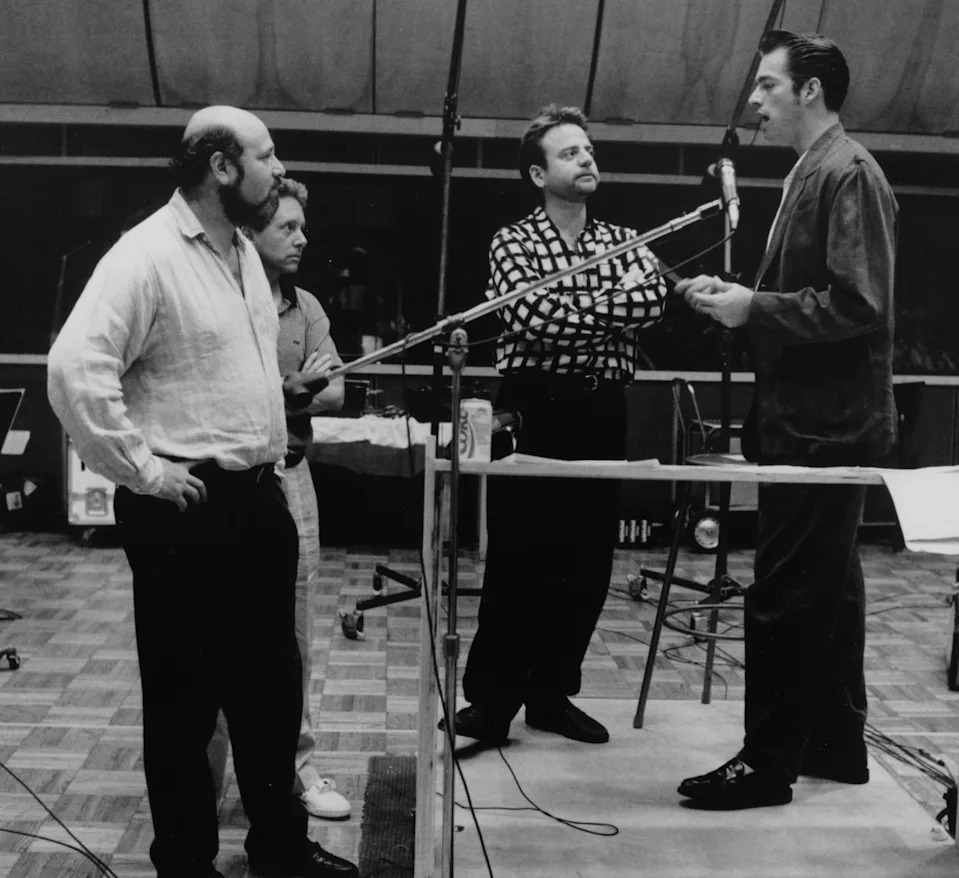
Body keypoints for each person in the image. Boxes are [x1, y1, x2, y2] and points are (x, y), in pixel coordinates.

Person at [47, 106, 358, 877]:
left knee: (271, 693)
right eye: (266, 155)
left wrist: (274, 408)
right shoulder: (145, 255)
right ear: (221, 166)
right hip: (184, 511)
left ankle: (278, 850)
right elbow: (75, 370)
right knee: (184, 704)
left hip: (258, 498)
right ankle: (184, 865)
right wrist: (145, 472)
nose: (277, 169)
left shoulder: (242, 255)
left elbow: (215, 371)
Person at [675, 31, 898, 810]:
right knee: (828, 593)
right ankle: (833, 745)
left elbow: (859, 303)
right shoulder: (818, 169)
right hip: (813, 424)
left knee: (785, 594)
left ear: (809, 91)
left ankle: (765, 764)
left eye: (766, 85)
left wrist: (753, 308)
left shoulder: (846, 172)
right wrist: (742, 303)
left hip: (822, 429)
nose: (754, 101)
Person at [445, 104, 667, 746]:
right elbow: (531, 318)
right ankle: (492, 703)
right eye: (570, 152)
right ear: (538, 175)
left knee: (587, 559)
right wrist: (608, 307)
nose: (587, 158)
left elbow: (651, 302)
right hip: (535, 407)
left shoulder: (625, 239)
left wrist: (573, 307)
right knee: (520, 556)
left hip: (602, 408)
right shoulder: (512, 242)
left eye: (588, 149)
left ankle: (550, 696)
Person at [207, 176, 351, 821]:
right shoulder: (219, 301)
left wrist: (284, 390)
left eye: (303, 227)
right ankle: (205, 785)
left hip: (293, 478)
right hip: (229, 481)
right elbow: (218, 391)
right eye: (287, 228)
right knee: (214, 633)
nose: (302, 239)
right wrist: (288, 387)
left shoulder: (305, 305)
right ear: (248, 233)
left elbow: (335, 390)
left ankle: (297, 766)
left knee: (294, 631)